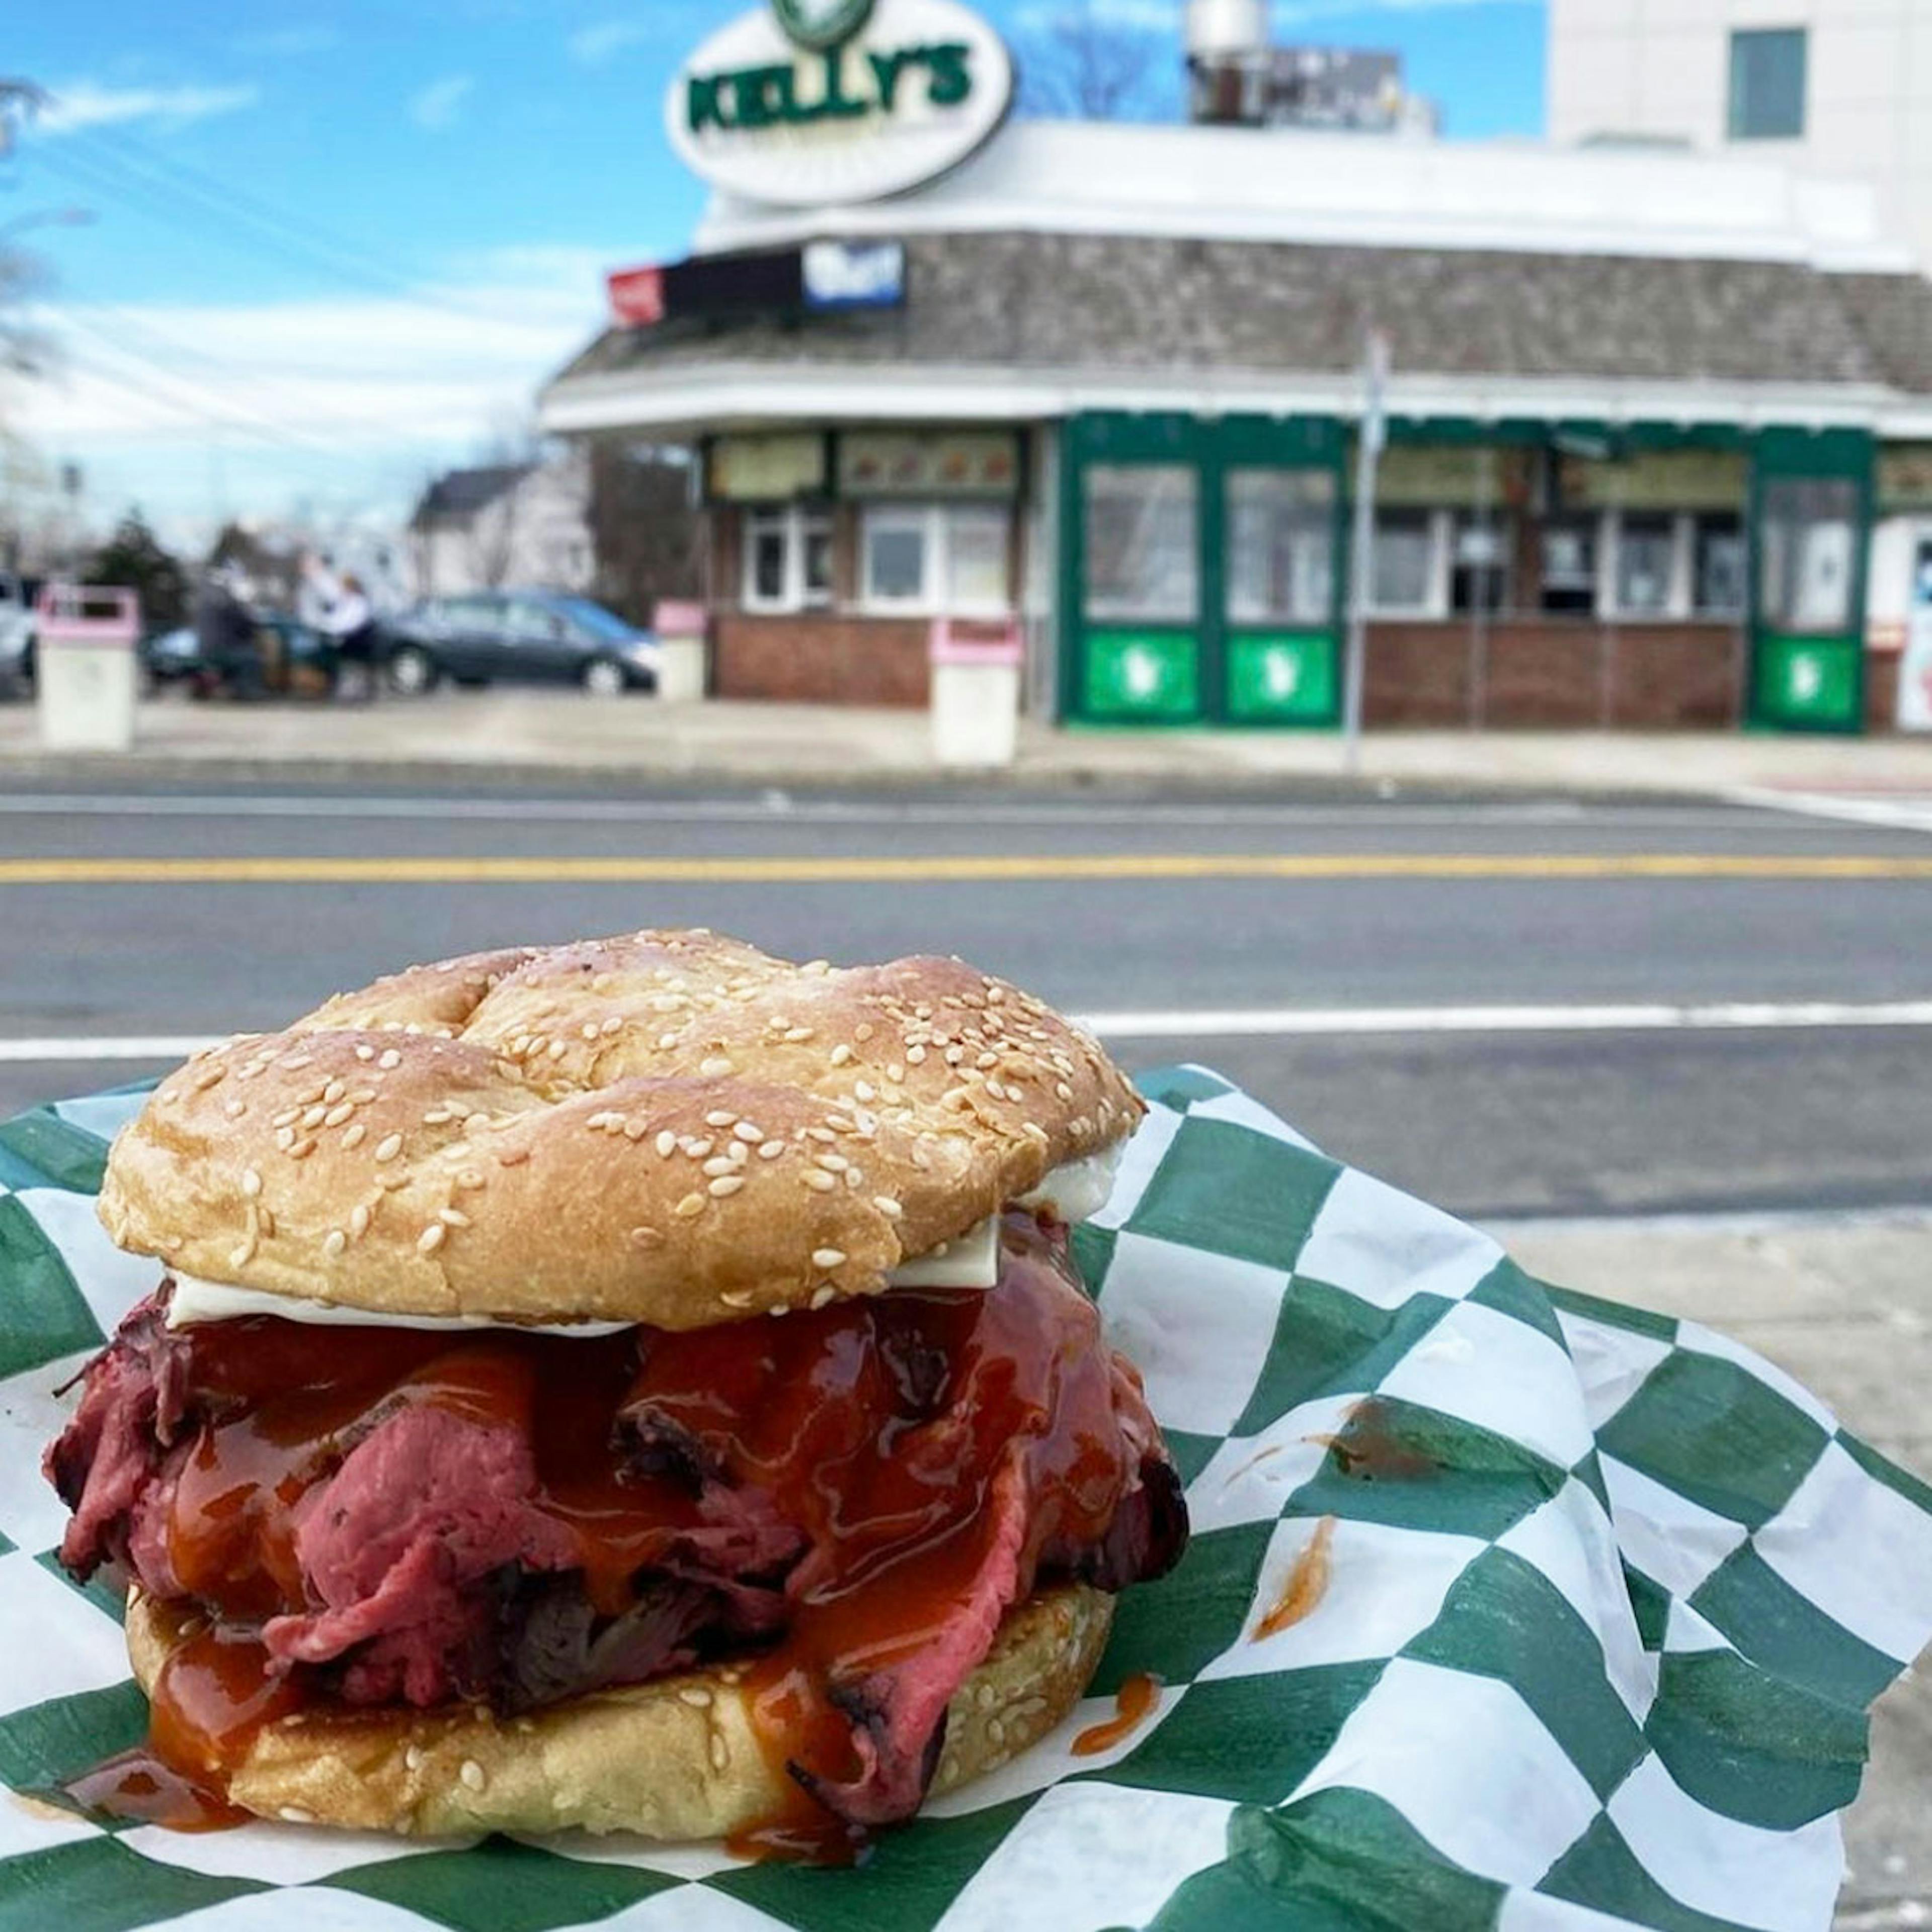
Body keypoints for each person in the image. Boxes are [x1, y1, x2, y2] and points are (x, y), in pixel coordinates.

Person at [192, 568, 266, 700]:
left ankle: (233, 687)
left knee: (244, 652)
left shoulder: (206, 601)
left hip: (204, 649)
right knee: (250, 657)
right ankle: (247, 690)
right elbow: (246, 625)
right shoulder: (227, 601)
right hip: (221, 650)